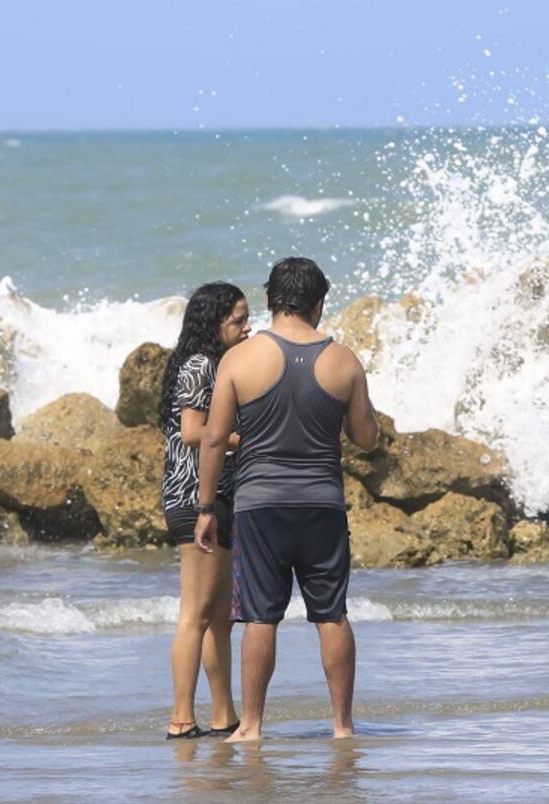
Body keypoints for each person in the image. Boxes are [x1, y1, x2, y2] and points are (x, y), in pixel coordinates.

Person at [195, 257, 378, 741]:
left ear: (269, 300)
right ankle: (342, 725)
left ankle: (252, 726)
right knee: (332, 614)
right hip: (322, 505)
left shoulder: (240, 359)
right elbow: (366, 437)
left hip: (260, 506)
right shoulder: (344, 360)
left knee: (259, 616)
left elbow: (213, 439)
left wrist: (206, 508)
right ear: (318, 303)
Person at [158, 282, 250, 740]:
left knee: (218, 618)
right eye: (238, 320)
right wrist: (246, 440)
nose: (247, 327)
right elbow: (194, 431)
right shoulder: (200, 365)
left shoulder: (218, 364)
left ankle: (223, 715)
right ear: (214, 324)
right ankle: (180, 718)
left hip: (215, 498)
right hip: (195, 500)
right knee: (195, 613)